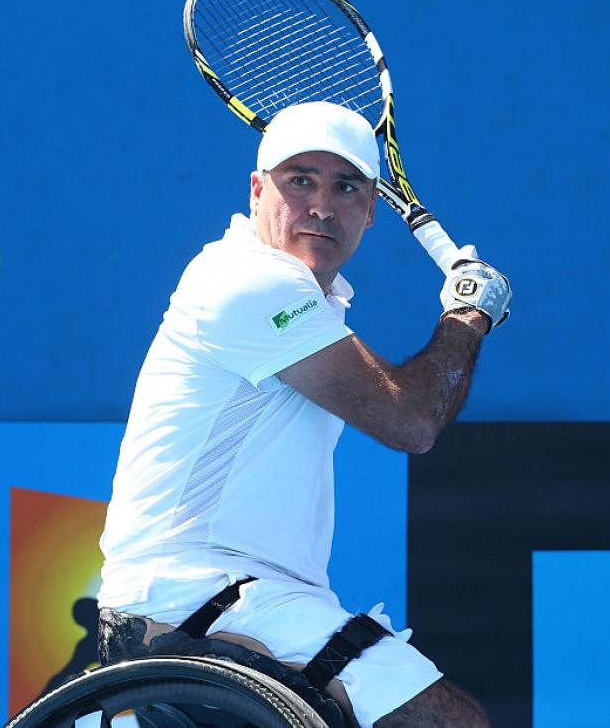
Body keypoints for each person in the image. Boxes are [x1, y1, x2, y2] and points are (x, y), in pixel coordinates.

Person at [97, 101, 511, 727]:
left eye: (345, 187)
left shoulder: (303, 301)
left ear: (371, 210)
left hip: (235, 599)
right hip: (197, 599)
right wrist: (468, 313)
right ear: (258, 190)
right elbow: (411, 421)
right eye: (300, 181)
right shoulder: (248, 282)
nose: (321, 206)